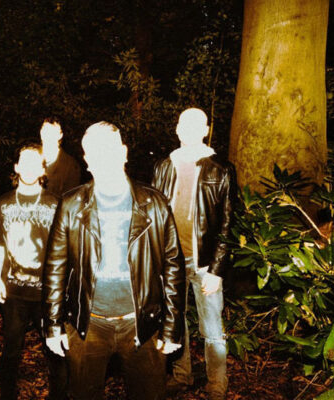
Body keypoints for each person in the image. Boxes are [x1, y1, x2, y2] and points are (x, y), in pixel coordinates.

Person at [43, 121, 185, 400]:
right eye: (94, 152)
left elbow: (173, 266)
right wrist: (52, 324)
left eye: (108, 150)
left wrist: (172, 327)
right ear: (87, 160)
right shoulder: (71, 204)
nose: (102, 158)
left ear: (123, 152)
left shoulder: (154, 203)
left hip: (142, 322)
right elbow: (55, 267)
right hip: (87, 325)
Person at [152, 108, 237, 400]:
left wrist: (217, 270)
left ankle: (217, 384)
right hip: (171, 262)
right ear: (177, 129)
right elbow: (153, 215)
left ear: (205, 130)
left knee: (212, 328)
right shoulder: (163, 167)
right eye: (183, 124)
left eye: (195, 125)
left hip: (205, 264)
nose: (188, 130)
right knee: (176, 322)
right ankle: (182, 375)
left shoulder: (221, 169)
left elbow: (228, 222)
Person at [0, 144, 66, 400]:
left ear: (43, 169)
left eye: (35, 163)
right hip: (14, 293)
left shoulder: (55, 204)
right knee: (11, 351)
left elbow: (63, 250)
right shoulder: (4, 203)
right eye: (24, 162)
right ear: (16, 167)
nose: (29, 168)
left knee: (55, 352)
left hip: (48, 294)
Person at [39, 117, 81, 197]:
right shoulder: (31, 158)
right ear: (41, 133)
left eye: (52, 132)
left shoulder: (71, 166)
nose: (48, 135)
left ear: (60, 135)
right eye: (45, 130)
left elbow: (70, 199)